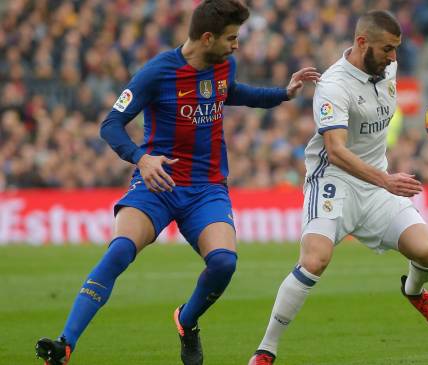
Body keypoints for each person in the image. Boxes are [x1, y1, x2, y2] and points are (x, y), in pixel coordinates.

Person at [34, 1, 320, 364]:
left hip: (207, 189)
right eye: (231, 38)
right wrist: (140, 157)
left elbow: (232, 93)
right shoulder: (156, 73)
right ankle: (65, 344)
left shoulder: (222, 65)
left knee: (224, 263)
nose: (236, 45)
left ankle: (186, 320)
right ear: (206, 37)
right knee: (119, 251)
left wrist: (283, 93)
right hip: (159, 185)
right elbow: (110, 124)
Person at [249, 10, 428, 365]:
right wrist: (386, 179)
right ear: (361, 43)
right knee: (314, 260)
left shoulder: (388, 69)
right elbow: (337, 152)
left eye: (396, 49)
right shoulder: (333, 85)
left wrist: (384, 178)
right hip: (334, 182)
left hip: (375, 189)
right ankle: (266, 349)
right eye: (387, 49)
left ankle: (413, 290)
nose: (393, 58)